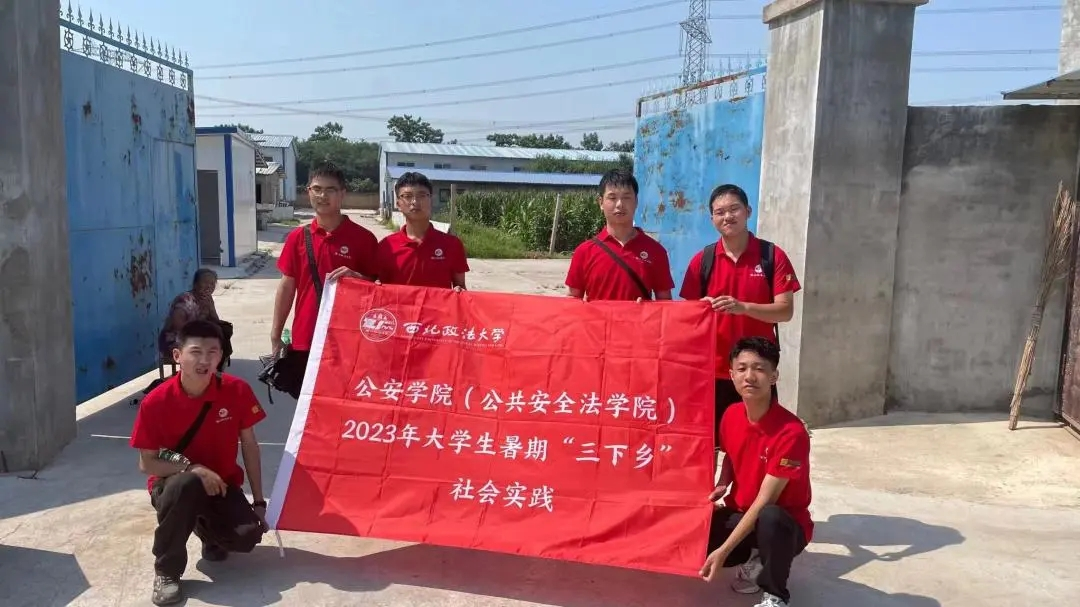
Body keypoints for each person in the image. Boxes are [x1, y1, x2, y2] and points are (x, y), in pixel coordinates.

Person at [129, 320, 269, 606]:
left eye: (212, 352)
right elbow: (148, 462)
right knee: (187, 484)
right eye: (195, 352)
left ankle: (207, 532)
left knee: (246, 537)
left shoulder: (236, 390)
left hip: (221, 484)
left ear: (221, 356)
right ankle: (167, 573)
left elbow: (250, 446)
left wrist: (258, 502)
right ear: (177, 356)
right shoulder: (156, 402)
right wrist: (192, 467)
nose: (204, 360)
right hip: (173, 485)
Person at [678, 184, 800, 442]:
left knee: (759, 441)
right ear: (712, 218)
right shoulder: (702, 261)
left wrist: (743, 307)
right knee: (709, 445)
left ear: (748, 211)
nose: (727, 217)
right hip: (713, 373)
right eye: (720, 212)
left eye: (734, 209)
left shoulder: (772, 256)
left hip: (756, 372)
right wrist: (700, 308)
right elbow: (685, 319)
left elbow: (785, 311)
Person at [700, 337, 812, 607]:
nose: (749, 376)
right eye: (742, 368)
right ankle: (753, 556)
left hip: (785, 524)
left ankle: (775, 593)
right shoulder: (731, 414)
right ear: (731, 374)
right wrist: (723, 482)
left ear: (774, 376)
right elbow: (730, 452)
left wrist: (723, 551)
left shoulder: (791, 433)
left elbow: (765, 501)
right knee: (699, 529)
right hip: (741, 512)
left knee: (770, 518)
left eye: (759, 369)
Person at [270, 162, 379, 398]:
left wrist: (358, 278)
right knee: (307, 406)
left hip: (349, 340)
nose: (323, 196)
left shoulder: (363, 239)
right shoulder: (297, 237)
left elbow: (378, 291)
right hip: (306, 338)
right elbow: (287, 287)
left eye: (330, 190)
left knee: (344, 405)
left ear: (342, 193)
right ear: (308, 191)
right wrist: (275, 334)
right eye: (317, 189)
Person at [565, 168, 674, 301]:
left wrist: (648, 307)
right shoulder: (584, 252)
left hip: (638, 316)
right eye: (612, 197)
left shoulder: (656, 251)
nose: (620, 204)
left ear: (636, 202)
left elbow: (665, 304)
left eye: (626, 197)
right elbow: (572, 301)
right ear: (601, 203)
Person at [370, 171, 469, 290]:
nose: (415, 202)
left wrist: (459, 290)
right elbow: (375, 287)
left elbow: (460, 287)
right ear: (398, 204)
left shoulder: (453, 245)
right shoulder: (386, 246)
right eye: (407, 196)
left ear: (431, 200)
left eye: (422, 195)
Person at [159, 268, 233, 372]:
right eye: (205, 282)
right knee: (208, 348)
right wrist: (199, 332)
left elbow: (215, 321)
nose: (209, 286)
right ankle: (207, 373)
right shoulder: (185, 300)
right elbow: (178, 325)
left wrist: (210, 309)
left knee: (223, 331)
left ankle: (214, 372)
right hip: (176, 340)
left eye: (212, 284)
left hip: (196, 338)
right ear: (195, 284)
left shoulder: (207, 299)